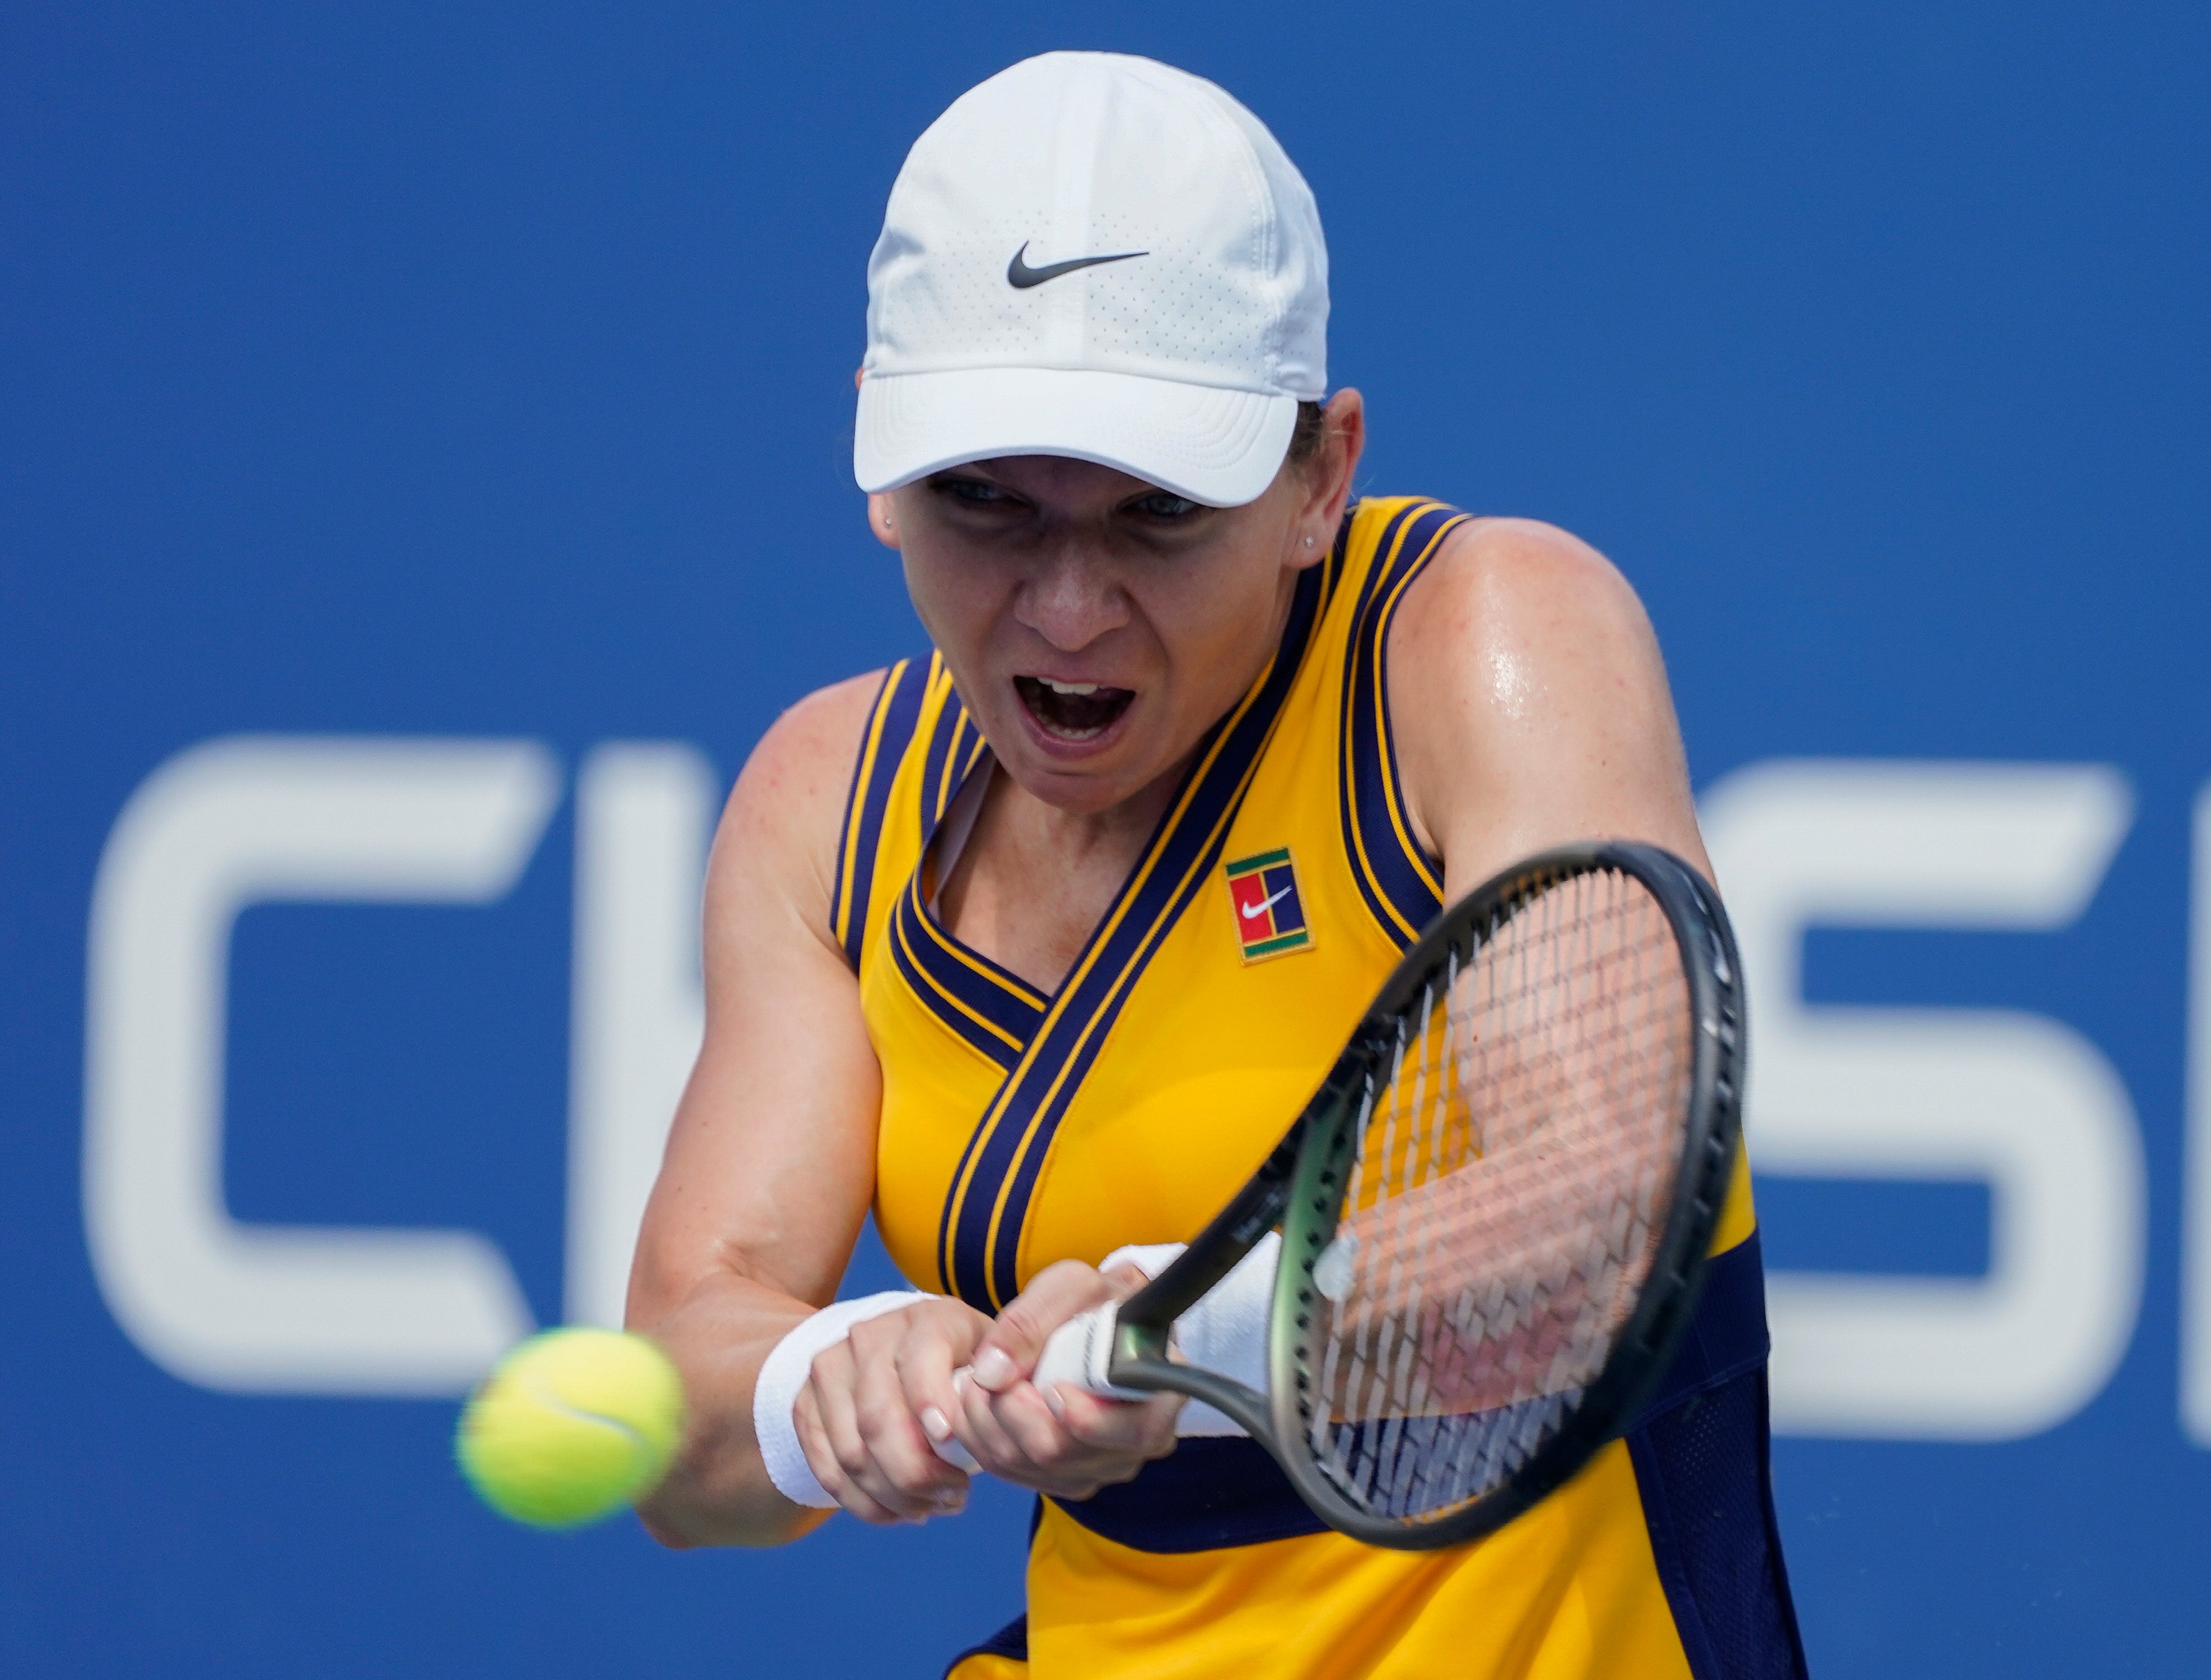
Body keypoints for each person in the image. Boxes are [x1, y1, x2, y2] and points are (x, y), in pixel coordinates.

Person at [629, 50, 1806, 1679]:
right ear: (883, 480)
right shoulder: (823, 805)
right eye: (985, 503)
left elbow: (1601, 1223)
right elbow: (675, 1427)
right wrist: (812, 1377)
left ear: (1320, 477)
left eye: (1158, 516)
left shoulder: (1484, 641)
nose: (1064, 607)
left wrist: (1173, 1339)